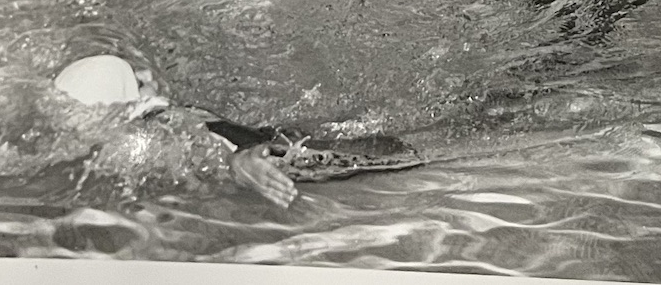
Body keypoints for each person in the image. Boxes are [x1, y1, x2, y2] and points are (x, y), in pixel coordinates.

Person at [51, 53, 422, 207]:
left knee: (404, 156)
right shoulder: (160, 110)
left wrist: (235, 164)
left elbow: (195, 143)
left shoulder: (155, 125)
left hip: (265, 155)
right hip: (263, 139)